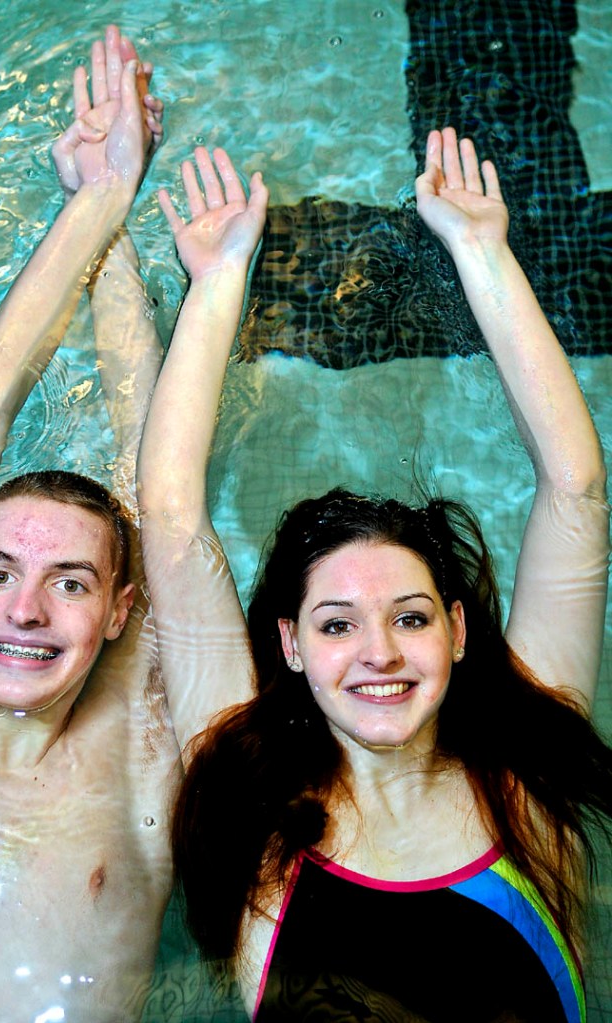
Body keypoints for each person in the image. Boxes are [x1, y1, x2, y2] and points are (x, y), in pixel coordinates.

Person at [138, 129, 612, 1020]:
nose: (378, 653)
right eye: (335, 623)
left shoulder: (527, 786)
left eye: (410, 616)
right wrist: (216, 283)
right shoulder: (256, 812)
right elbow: (169, 517)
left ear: (459, 630)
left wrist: (481, 251)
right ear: (288, 644)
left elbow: (576, 490)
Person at [0, 27, 233, 1022]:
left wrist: (104, 219)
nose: (23, 610)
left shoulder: (145, 755)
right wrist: (93, 203)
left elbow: (155, 492)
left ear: (118, 611)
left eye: (70, 581)